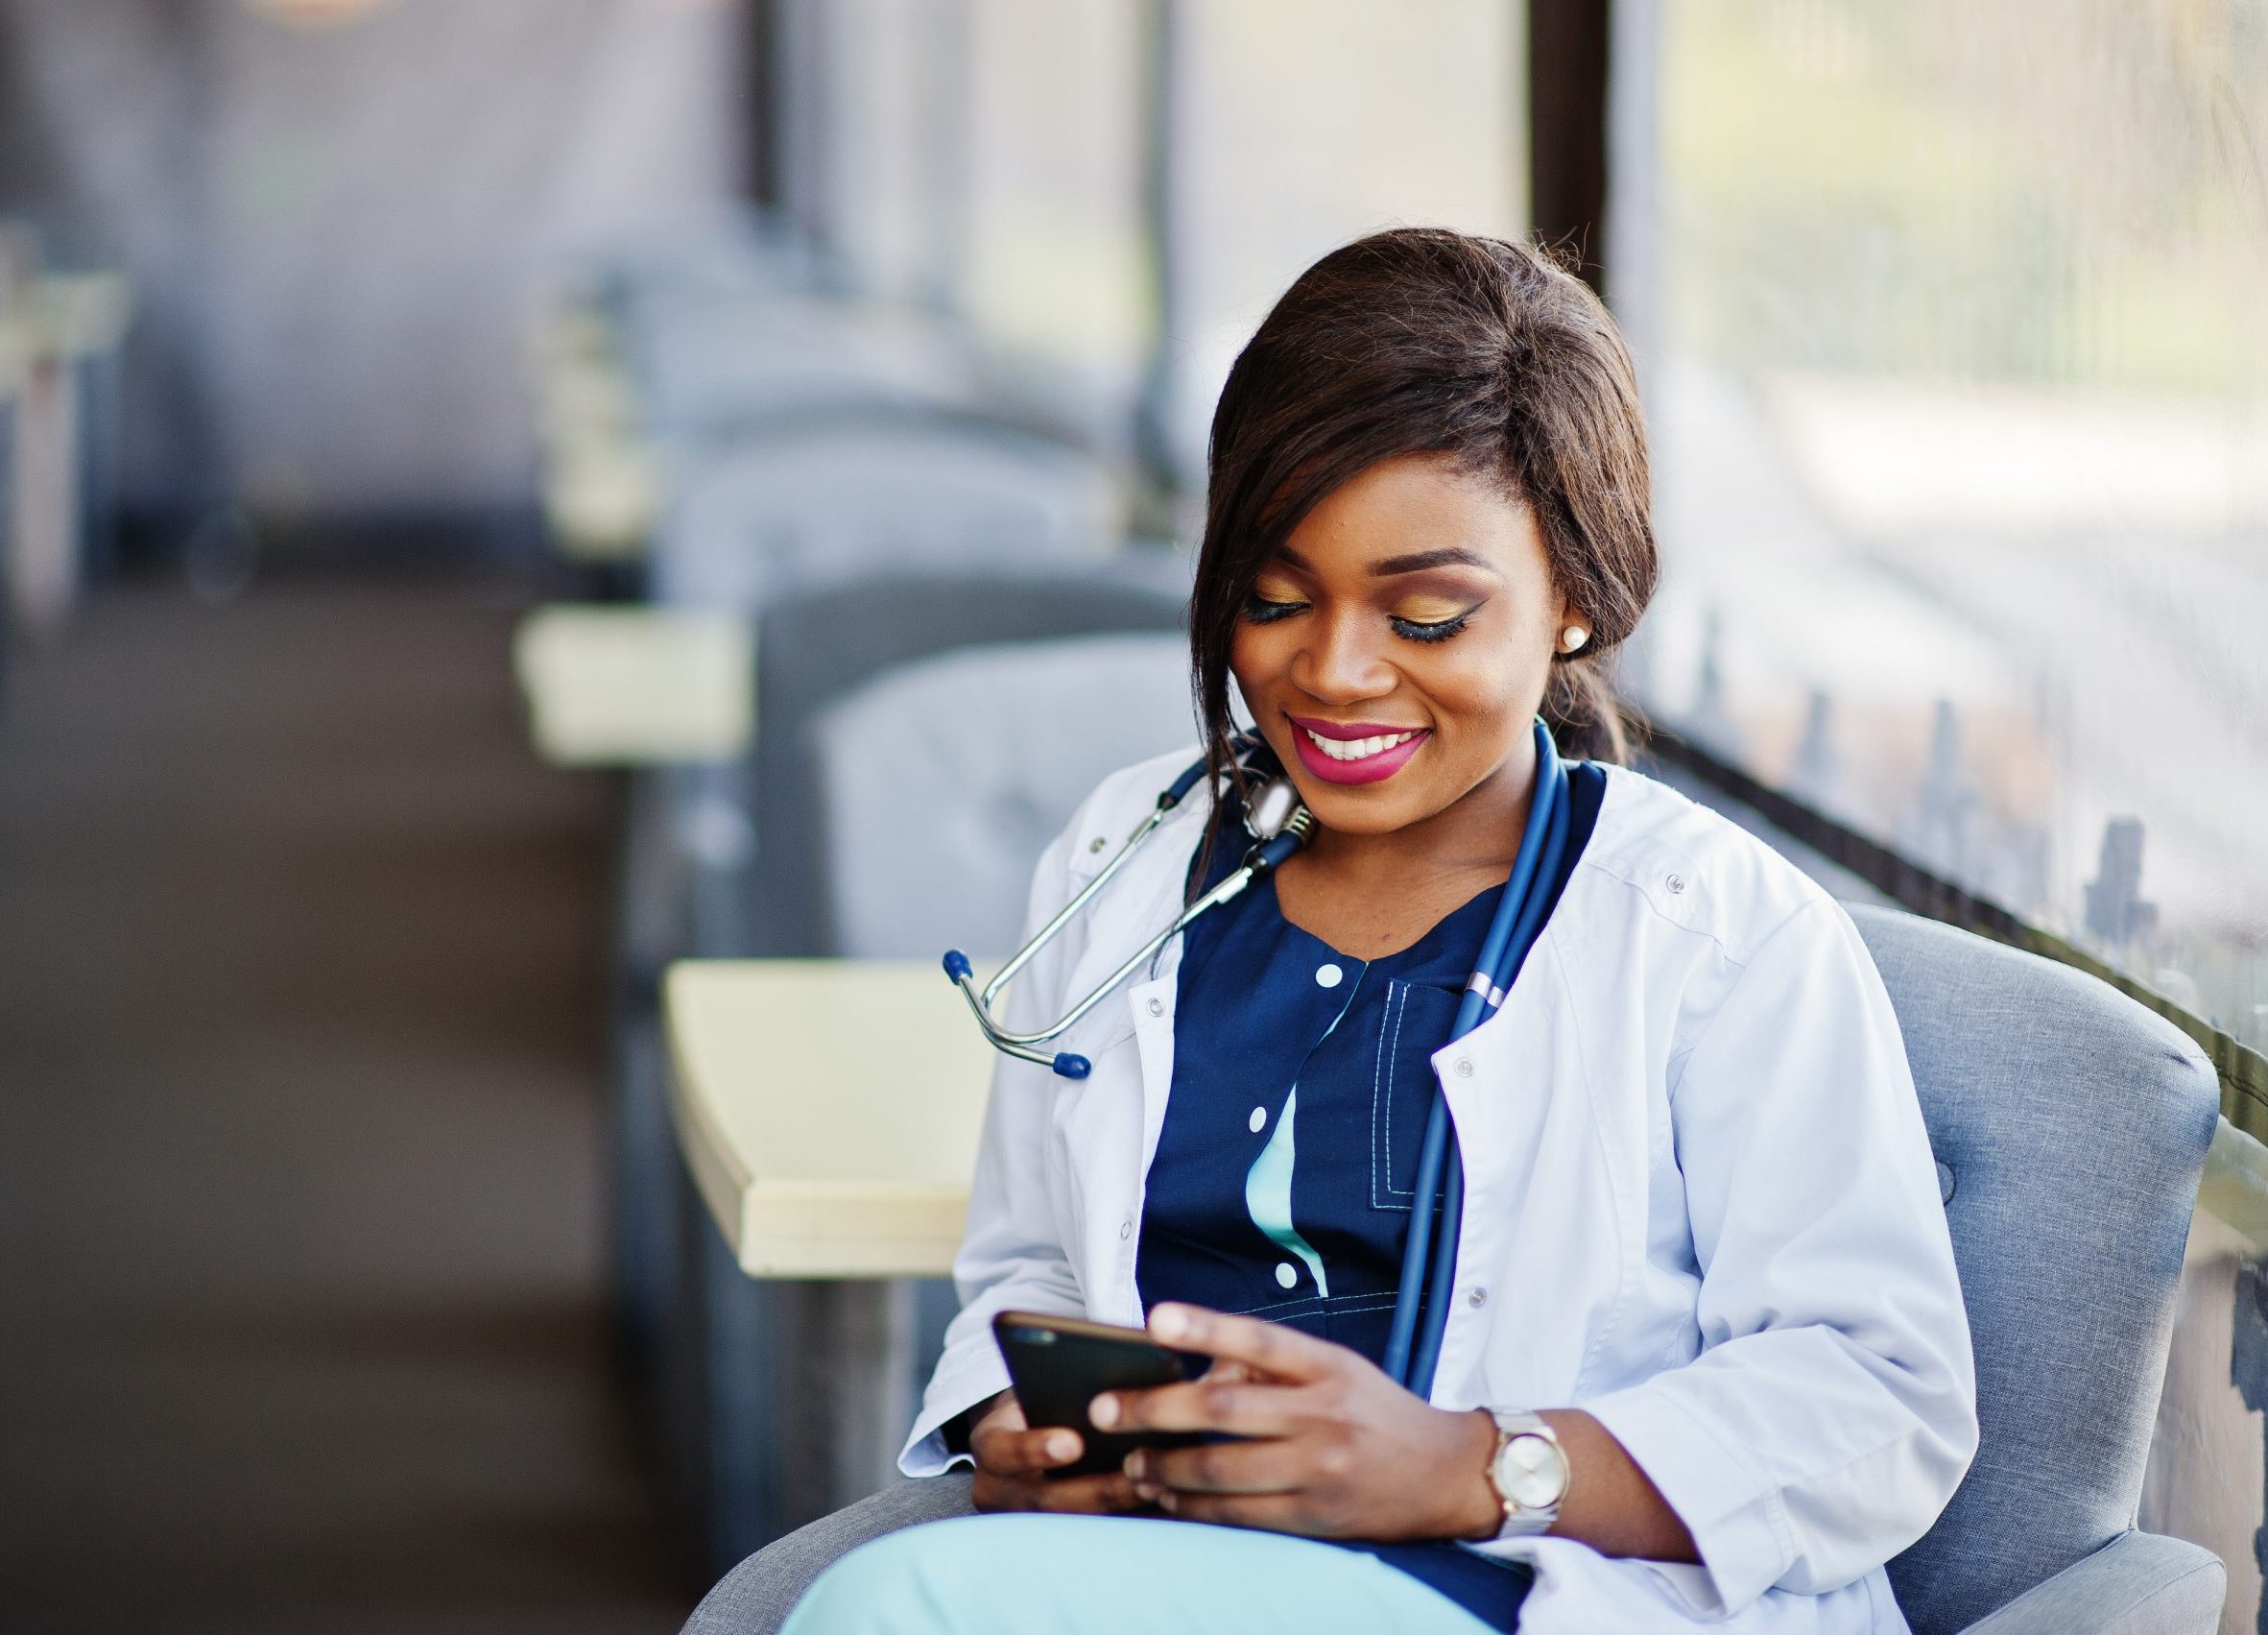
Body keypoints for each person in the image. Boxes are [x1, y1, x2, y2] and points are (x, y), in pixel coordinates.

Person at [682, 228, 1977, 1635]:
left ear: (1579, 605)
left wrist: (1475, 1469)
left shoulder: (1720, 935)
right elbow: (1033, 1262)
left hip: (1534, 1591)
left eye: (1426, 615)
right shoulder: (1128, 857)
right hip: (1162, 1562)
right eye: (1274, 598)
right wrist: (1017, 1413)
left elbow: (1877, 1396)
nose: (1334, 673)